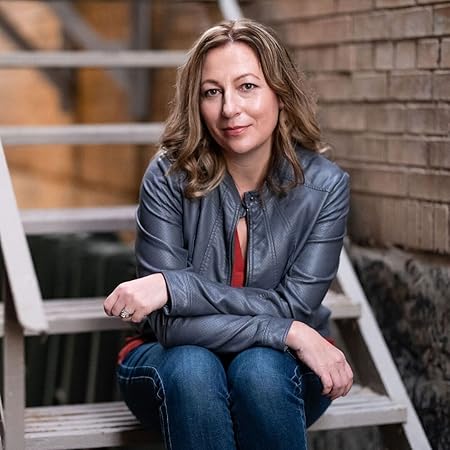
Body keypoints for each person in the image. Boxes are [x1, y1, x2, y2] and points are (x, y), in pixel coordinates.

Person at [104, 18, 353, 450]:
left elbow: (293, 306)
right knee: (194, 367)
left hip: (280, 371)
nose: (229, 109)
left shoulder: (325, 187)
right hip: (170, 363)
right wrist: (289, 331)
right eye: (211, 92)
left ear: (280, 93)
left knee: (258, 371)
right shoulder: (168, 176)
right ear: (196, 102)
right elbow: (169, 325)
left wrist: (174, 287)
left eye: (247, 87)